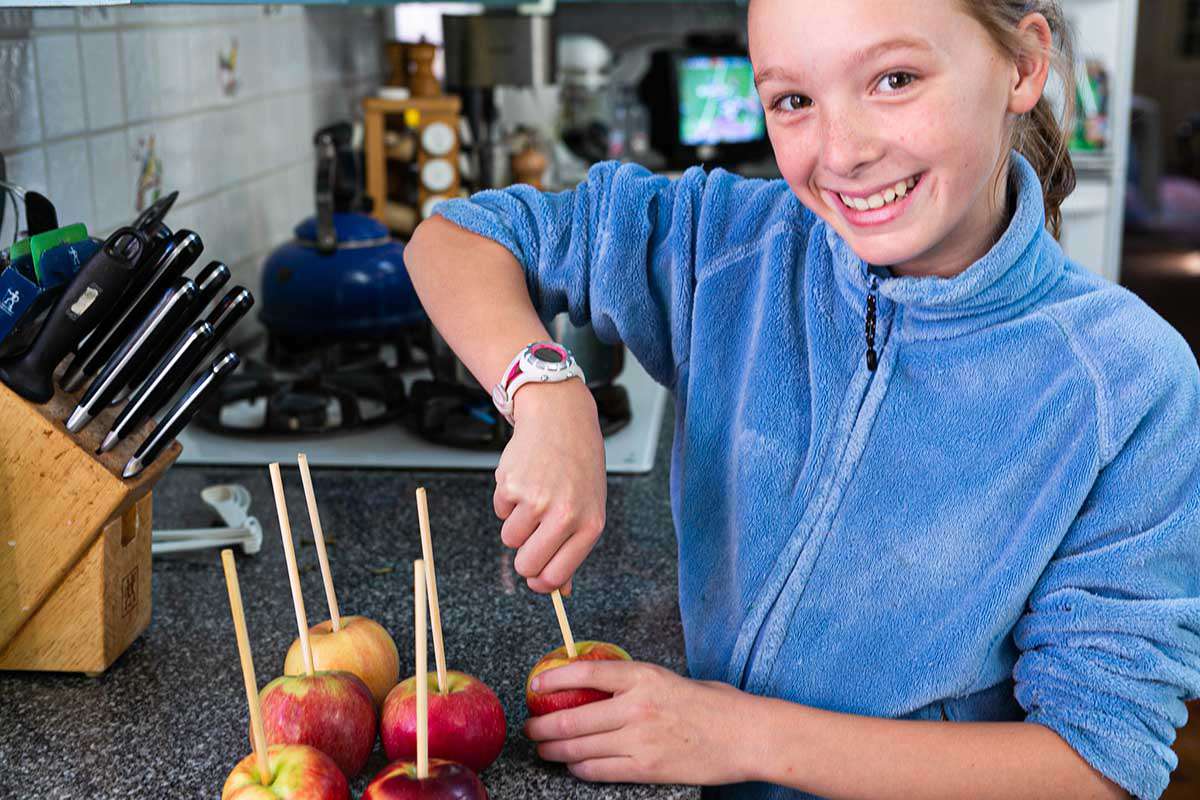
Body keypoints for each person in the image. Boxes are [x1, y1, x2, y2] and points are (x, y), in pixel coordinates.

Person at [403, 1, 1200, 797]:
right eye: (792, 100)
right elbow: (459, 236)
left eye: (894, 79)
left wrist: (739, 737)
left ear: (1023, 67)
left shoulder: (1127, 380)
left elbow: (1097, 765)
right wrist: (547, 390)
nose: (842, 153)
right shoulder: (725, 243)